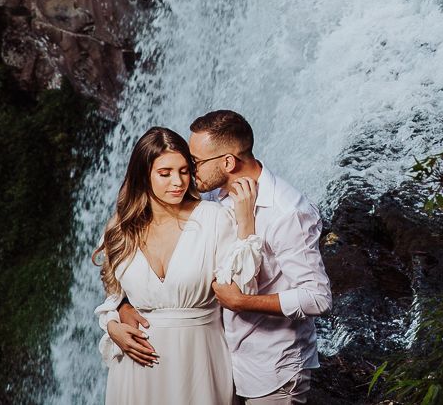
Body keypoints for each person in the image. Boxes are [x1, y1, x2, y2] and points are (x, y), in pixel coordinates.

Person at [118, 110, 332, 404]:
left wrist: (242, 302)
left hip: (273, 369)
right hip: (226, 364)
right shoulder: (217, 200)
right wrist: (122, 306)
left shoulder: (287, 211)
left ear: (228, 162)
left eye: (194, 163)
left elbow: (317, 298)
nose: (188, 173)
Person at [93, 126, 263, 405]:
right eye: (165, 173)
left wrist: (246, 228)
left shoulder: (213, 218)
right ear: (142, 176)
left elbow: (240, 289)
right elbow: (114, 293)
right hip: (136, 366)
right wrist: (113, 324)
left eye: (184, 171)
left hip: (199, 361)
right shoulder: (120, 229)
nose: (178, 182)